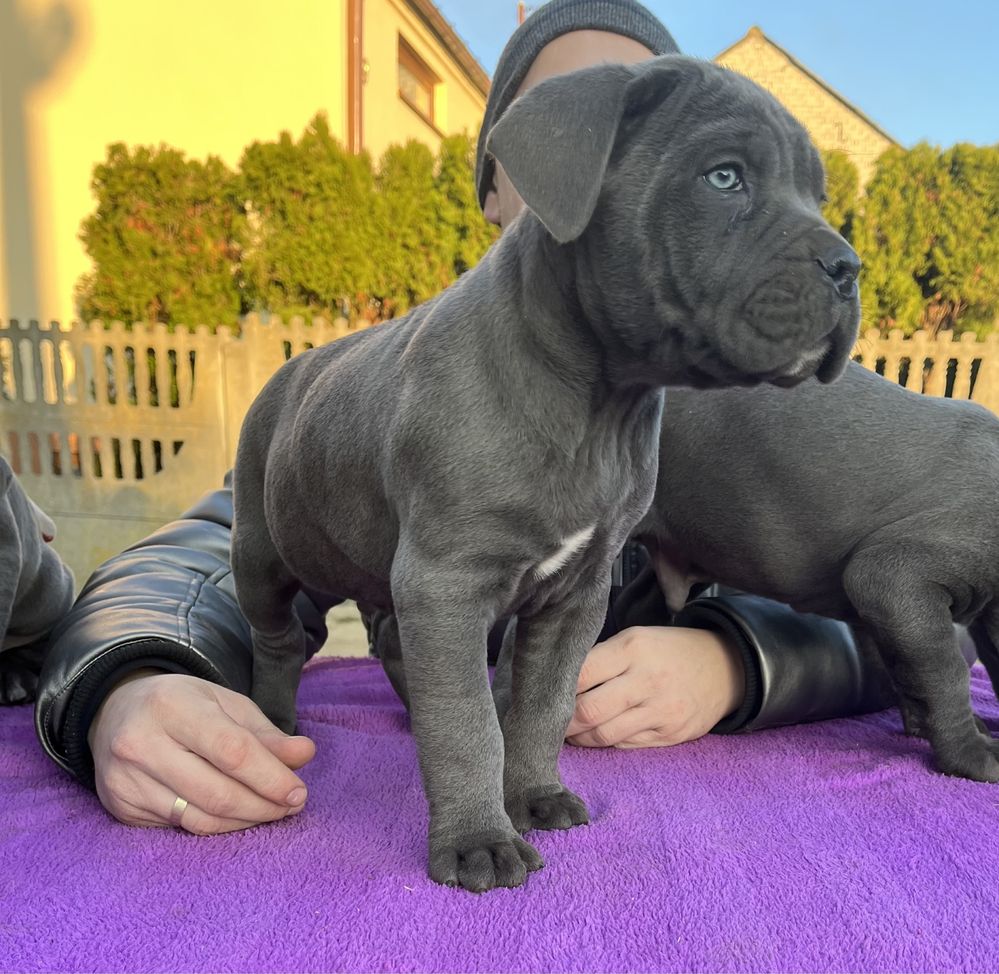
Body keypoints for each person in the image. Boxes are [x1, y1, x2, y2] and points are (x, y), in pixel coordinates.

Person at [30, 0, 890, 836]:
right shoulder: (413, 380)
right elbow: (205, 554)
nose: (823, 241)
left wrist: (738, 657)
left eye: (804, 195)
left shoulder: (728, 413)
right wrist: (132, 672)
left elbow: (911, 602)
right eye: (726, 175)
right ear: (502, 180)